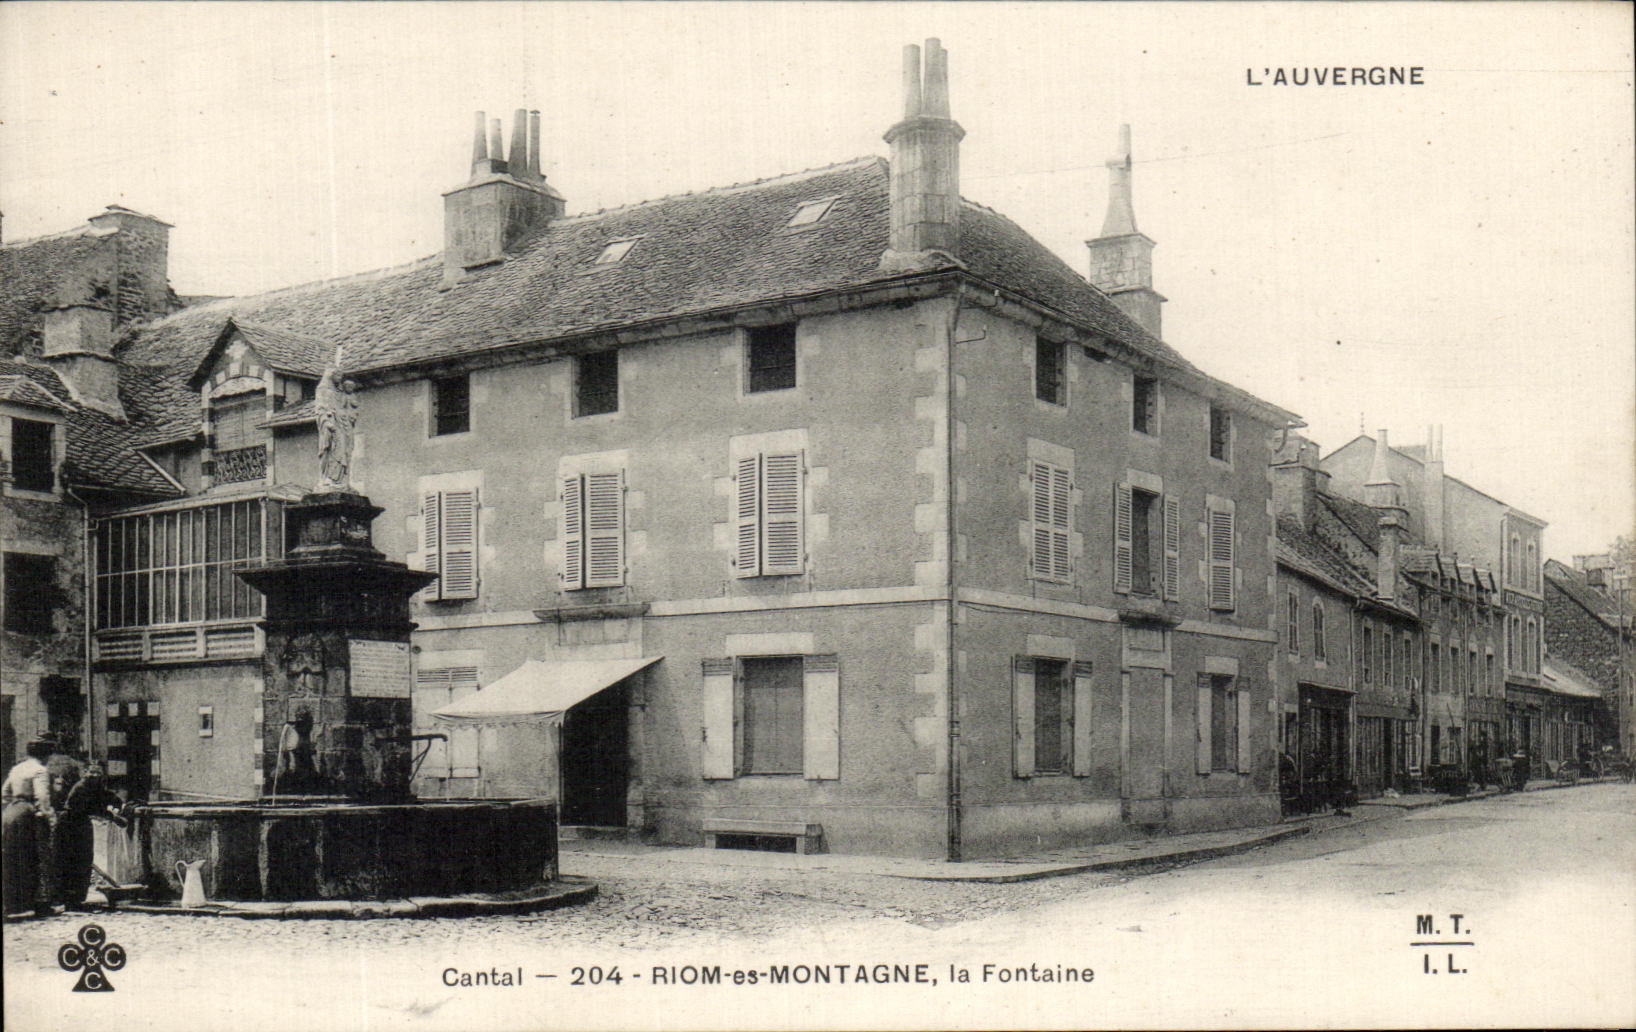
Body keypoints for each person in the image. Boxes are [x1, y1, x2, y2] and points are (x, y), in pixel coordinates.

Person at [53, 762, 128, 910]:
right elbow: (95, 807)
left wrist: (119, 804)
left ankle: (77, 898)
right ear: (85, 775)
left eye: (97, 774)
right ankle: (71, 899)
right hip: (70, 825)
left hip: (81, 824)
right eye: (91, 773)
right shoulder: (81, 788)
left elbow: (106, 797)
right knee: (74, 861)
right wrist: (114, 818)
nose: (94, 776)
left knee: (84, 860)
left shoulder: (93, 787)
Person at [2, 737, 58, 918]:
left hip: (10, 813)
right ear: (45, 754)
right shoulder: (40, 770)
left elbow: (4, 793)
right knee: (40, 857)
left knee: (12, 858)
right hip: (29, 815)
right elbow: (42, 797)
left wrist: (13, 806)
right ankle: (41, 904)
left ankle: (13, 904)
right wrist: (49, 816)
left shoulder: (17, 769)